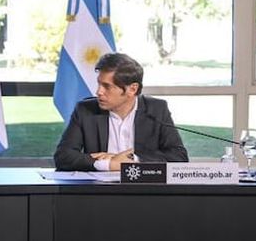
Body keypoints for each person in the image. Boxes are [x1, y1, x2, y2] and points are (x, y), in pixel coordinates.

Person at [54, 52, 188, 171]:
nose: (98, 92)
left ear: (132, 89)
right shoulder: (85, 110)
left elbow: (178, 157)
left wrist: (132, 160)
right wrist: (108, 164)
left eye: (107, 86)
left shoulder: (156, 110)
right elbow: (63, 156)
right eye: (99, 84)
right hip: (99, 189)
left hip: (144, 188)